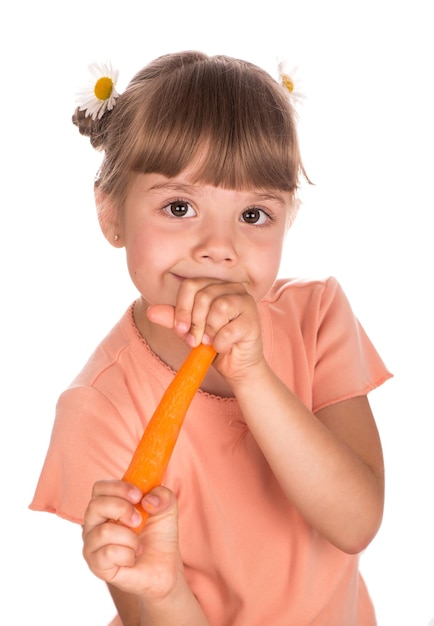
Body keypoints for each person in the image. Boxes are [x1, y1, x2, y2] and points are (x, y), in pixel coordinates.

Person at [30, 51, 392, 625]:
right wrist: (165, 589)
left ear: (288, 218)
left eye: (253, 215)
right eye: (180, 206)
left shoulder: (316, 314)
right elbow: (152, 605)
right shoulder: (97, 409)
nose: (219, 246)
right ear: (110, 212)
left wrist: (253, 374)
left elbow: (356, 523)